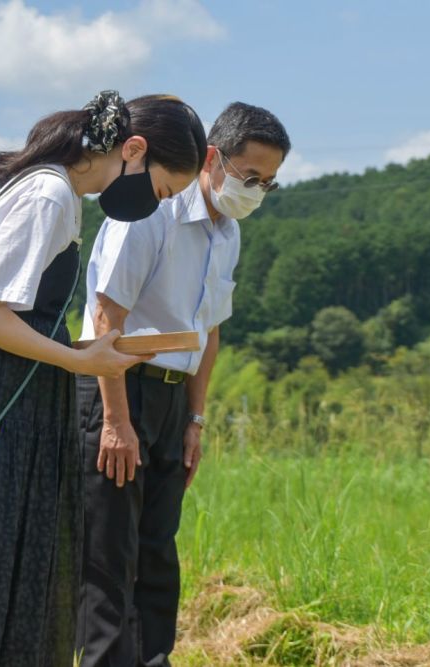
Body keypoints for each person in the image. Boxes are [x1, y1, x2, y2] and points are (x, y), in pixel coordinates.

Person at [0, 91, 207, 667]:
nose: (156, 204)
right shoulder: (48, 193)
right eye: (163, 189)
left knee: (6, 579)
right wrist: (81, 361)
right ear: (134, 149)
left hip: (16, 400)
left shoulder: (60, 193)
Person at [76, 102, 290, 666]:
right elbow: (107, 317)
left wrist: (196, 421)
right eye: (250, 177)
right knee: (108, 557)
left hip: (173, 397)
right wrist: (117, 422)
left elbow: (208, 332)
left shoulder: (229, 235)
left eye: (269, 183)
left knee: (157, 554)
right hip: (118, 390)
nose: (257, 191)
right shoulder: (154, 209)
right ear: (213, 159)